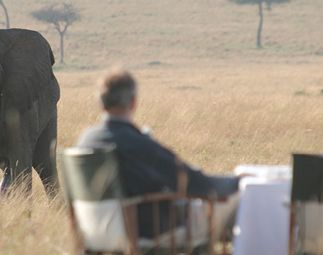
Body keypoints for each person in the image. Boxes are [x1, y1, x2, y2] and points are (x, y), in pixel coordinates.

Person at [76, 68, 242, 239]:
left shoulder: (85, 141)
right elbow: (192, 181)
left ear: (100, 102)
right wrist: (237, 181)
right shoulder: (135, 142)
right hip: (147, 232)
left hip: (95, 234)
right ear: (133, 102)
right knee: (240, 198)